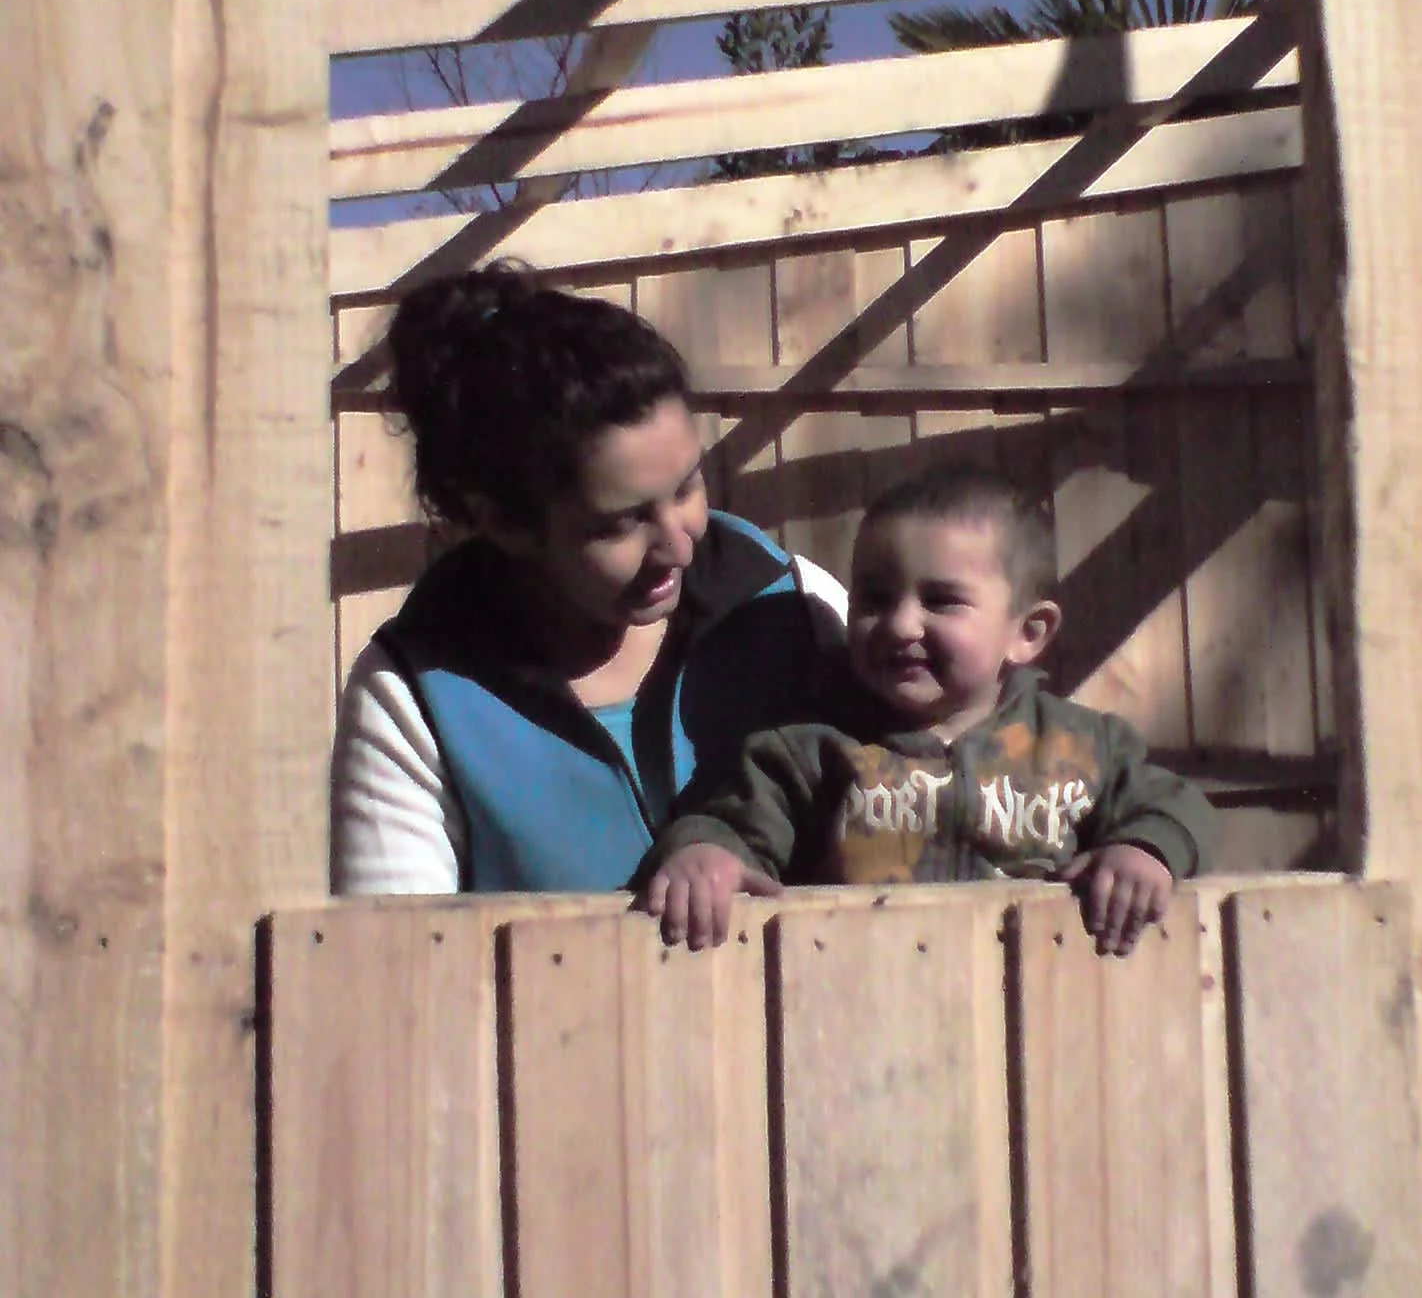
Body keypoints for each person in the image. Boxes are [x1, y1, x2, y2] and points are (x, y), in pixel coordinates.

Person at [330, 264, 847, 916]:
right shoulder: (414, 698)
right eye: (620, 523)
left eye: (687, 487)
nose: (681, 543)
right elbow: (397, 970)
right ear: (501, 521)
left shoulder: (796, 607)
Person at [641, 463, 1214, 956]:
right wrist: (702, 854)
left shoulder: (1082, 747)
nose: (900, 624)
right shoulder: (808, 749)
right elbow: (727, 819)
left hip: (1035, 1014)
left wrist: (1142, 852)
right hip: (858, 1005)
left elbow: (1175, 806)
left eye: (940, 601)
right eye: (875, 598)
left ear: (1028, 632)